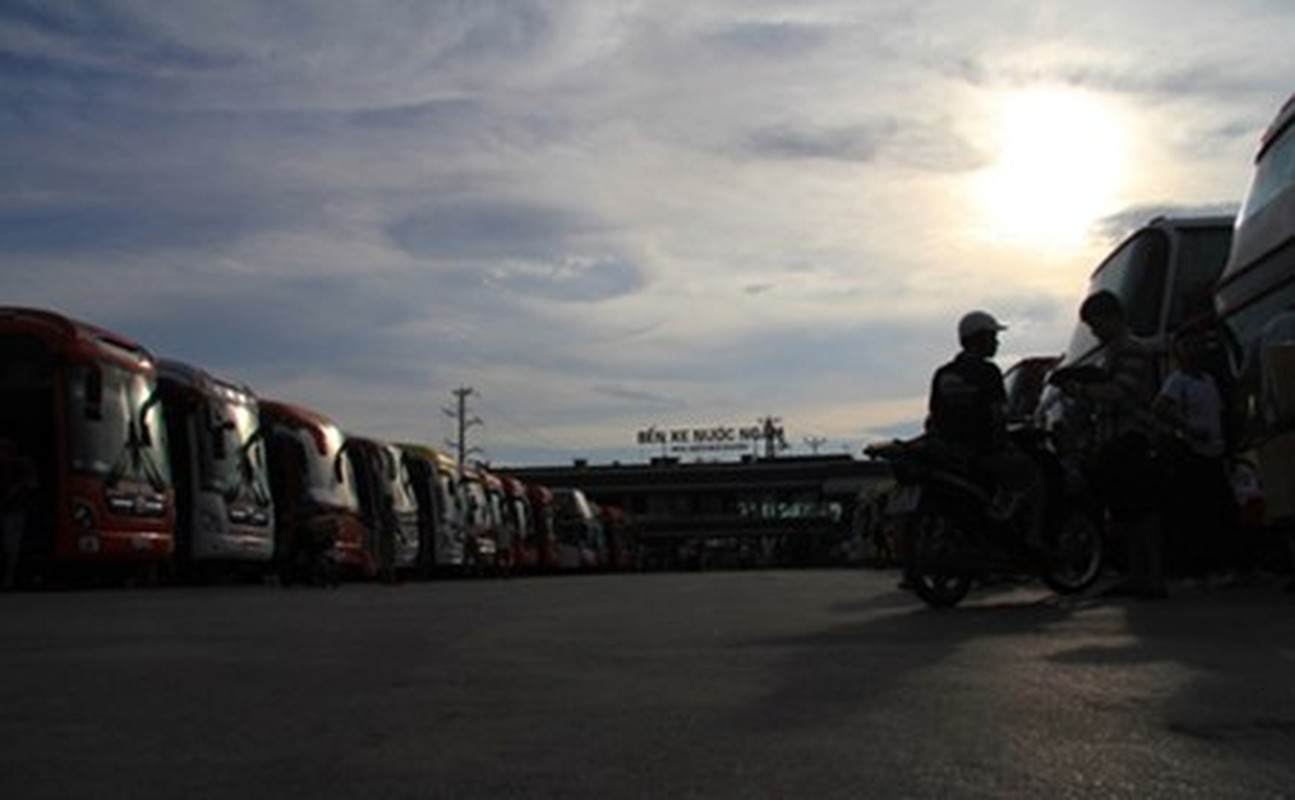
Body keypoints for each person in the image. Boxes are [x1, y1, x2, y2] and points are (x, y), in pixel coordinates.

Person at [1060, 290, 1165, 599]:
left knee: (1142, 510)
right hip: (1114, 439)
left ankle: (1152, 576)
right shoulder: (1114, 354)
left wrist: (1081, 389)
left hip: (1131, 437)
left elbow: (1121, 391)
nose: (1094, 333)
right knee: (1127, 511)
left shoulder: (1131, 350)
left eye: (1095, 325)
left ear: (1110, 318)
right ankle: (1139, 575)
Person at [926, 310, 1044, 549]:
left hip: (950, 455)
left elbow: (933, 418)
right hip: (983, 453)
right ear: (978, 338)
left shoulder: (943, 373)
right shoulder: (988, 372)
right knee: (1034, 475)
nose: (997, 342)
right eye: (992, 336)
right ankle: (1033, 538)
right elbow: (996, 415)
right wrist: (1004, 444)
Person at [1153, 330, 1234, 582]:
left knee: (1220, 510)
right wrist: (1188, 429)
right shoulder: (1177, 381)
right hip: (1193, 453)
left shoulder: (1209, 380)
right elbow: (1159, 407)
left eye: (1193, 345)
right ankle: (1202, 569)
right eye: (1184, 346)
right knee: (1199, 512)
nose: (1190, 351)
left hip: (1215, 451)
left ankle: (1223, 564)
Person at [1238, 305, 1295, 592]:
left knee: (1284, 499)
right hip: (1283, 422)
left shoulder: (1265, 331)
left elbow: (1246, 380)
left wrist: (1254, 423)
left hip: (1277, 425)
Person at [0, 438, 38, 590]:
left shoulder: (22, 465)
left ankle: (10, 578)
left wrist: (17, 490)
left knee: (11, 547)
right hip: (9, 510)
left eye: (4, 450)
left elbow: (32, 484)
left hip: (14, 511)